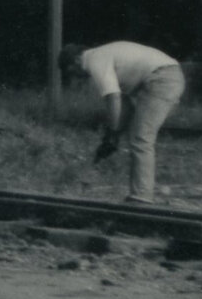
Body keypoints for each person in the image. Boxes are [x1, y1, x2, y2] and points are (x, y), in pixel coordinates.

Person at [60, 40, 187, 202]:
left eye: (71, 71)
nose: (75, 77)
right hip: (163, 76)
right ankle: (140, 193)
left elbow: (113, 99)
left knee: (141, 138)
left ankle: (142, 196)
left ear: (76, 60)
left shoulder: (94, 61)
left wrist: (113, 134)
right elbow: (124, 106)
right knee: (138, 135)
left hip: (162, 79)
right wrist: (112, 136)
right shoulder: (104, 57)